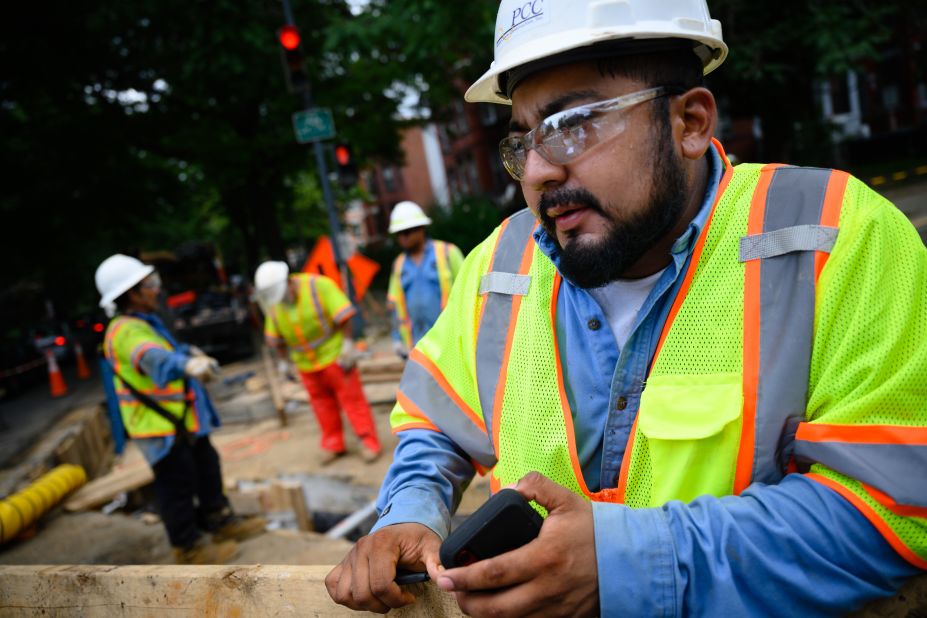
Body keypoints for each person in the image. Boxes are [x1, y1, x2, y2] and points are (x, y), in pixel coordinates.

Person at [326, 0, 927, 615]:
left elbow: (896, 506)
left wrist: (628, 564)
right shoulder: (499, 264)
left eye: (573, 124)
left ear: (690, 122)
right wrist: (412, 511)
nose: (536, 171)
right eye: (523, 140)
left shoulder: (832, 235)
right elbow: (435, 419)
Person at [95, 254, 265, 565]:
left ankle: (221, 521)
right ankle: (188, 548)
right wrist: (186, 364)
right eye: (150, 284)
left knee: (207, 468)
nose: (156, 289)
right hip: (158, 427)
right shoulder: (124, 331)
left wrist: (188, 353)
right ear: (131, 293)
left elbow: (167, 350)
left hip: (180, 421)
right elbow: (153, 358)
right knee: (177, 485)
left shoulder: (145, 322)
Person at [254, 261, 381, 464]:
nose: (282, 300)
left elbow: (344, 316)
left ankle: (368, 442)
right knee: (322, 405)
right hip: (306, 365)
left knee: (353, 402)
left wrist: (348, 346)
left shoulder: (318, 286)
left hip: (335, 357)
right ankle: (333, 444)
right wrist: (283, 362)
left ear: (289, 282)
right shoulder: (274, 304)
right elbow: (275, 338)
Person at [386, 201, 464, 358]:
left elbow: (468, 293)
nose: (402, 238)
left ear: (421, 229)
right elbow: (394, 304)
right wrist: (397, 339)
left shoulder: (448, 253)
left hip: (450, 342)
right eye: (398, 234)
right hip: (417, 347)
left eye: (406, 232)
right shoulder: (399, 265)